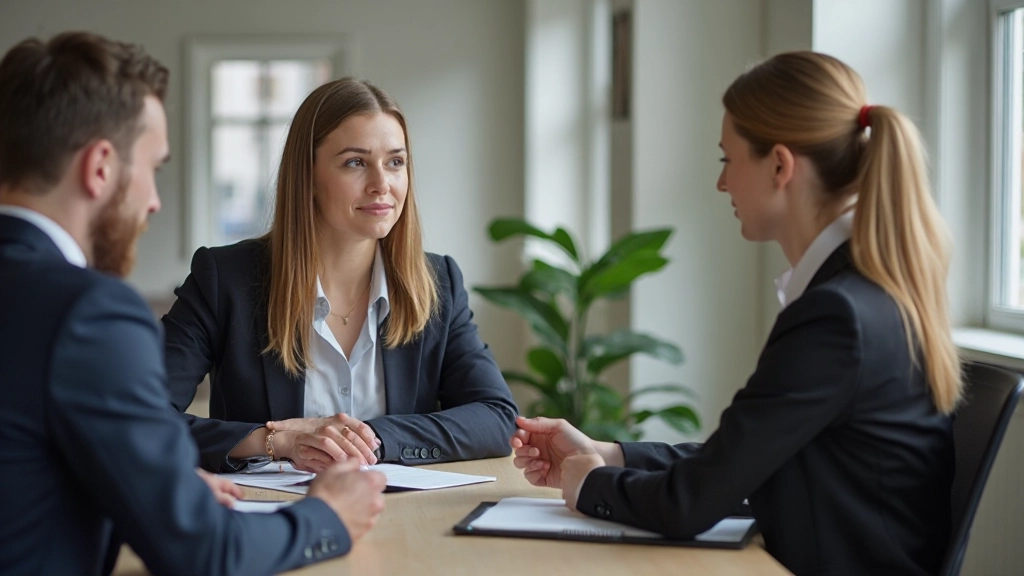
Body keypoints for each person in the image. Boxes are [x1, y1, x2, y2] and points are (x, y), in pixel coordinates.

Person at [510, 51, 961, 576]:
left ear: (780, 165)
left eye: (727, 159)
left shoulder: (836, 315)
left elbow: (691, 502)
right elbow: (740, 458)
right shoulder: (863, 294)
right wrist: (610, 455)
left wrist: (590, 484)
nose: (721, 183)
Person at [0, 32, 387, 576]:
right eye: (153, 168)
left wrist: (158, 489)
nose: (154, 201)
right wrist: (328, 516)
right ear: (101, 167)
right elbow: (203, 553)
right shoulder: (89, 314)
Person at [162, 76, 518, 473]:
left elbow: (495, 417)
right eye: (355, 163)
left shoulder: (438, 283)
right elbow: (140, 415)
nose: (381, 184)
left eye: (395, 162)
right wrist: (278, 441)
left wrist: (372, 438)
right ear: (308, 176)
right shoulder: (224, 279)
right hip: (268, 509)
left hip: (401, 508)